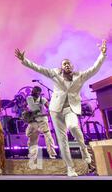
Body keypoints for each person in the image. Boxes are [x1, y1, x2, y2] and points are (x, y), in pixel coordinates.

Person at [15, 39, 107, 177]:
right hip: (55, 110)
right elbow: (39, 68)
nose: (67, 65)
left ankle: (84, 149)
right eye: (64, 64)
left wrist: (102, 55)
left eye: (68, 63)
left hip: (70, 109)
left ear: (72, 66)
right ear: (61, 67)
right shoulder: (54, 73)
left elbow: (94, 69)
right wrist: (24, 60)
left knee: (74, 127)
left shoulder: (80, 76)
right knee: (62, 141)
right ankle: (70, 168)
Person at [24, 86, 57, 169]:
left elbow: (49, 107)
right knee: (31, 137)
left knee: (48, 136)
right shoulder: (29, 98)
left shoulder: (43, 99)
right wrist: (26, 113)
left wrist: (51, 111)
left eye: (36, 91)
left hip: (42, 120)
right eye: (33, 91)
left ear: (39, 92)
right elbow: (26, 106)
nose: (34, 92)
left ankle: (52, 155)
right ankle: (33, 156)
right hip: (33, 121)